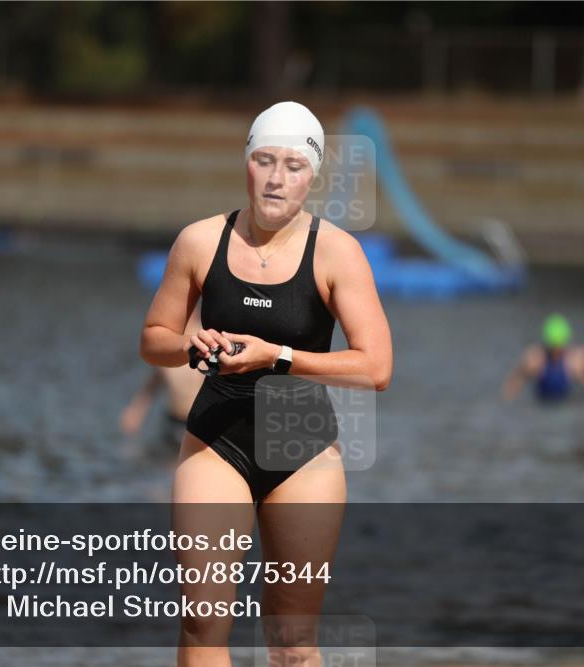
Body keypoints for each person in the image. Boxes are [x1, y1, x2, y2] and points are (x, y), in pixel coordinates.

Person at [138, 100, 393, 665]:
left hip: (304, 455)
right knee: (202, 622)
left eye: (293, 166)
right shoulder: (200, 241)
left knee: (292, 643)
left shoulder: (337, 253)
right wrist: (189, 345)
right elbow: (153, 338)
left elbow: (377, 368)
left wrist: (277, 356)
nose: (276, 178)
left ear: (312, 176)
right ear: (247, 162)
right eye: (264, 160)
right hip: (215, 443)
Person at [120, 304, 205, 460]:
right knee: (164, 462)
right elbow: (153, 383)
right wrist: (136, 411)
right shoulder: (167, 342)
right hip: (172, 420)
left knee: (183, 464)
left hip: (197, 422)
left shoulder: (205, 338)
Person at [502, 313, 584, 403]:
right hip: (543, 403)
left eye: (559, 348)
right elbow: (510, 389)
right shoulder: (536, 359)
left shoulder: (575, 361)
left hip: (563, 402)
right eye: (553, 348)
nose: (556, 351)